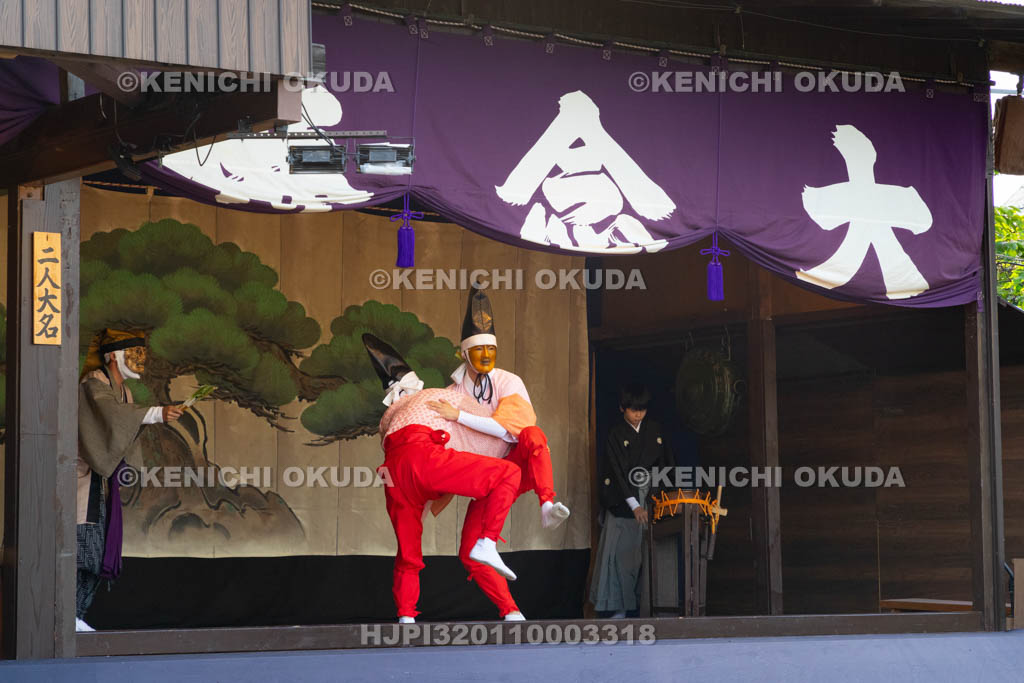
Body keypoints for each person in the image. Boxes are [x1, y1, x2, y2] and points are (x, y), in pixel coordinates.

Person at [427, 288, 570, 621]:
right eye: (479, 349)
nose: (487, 354)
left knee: (534, 435)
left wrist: (459, 416)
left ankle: (547, 503)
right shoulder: (451, 394)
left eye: (491, 348)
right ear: (464, 353)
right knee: (468, 554)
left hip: (514, 466)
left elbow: (511, 430)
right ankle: (511, 611)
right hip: (484, 476)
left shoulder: (508, 381)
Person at [365, 333, 522, 624]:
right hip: (425, 459)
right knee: (509, 472)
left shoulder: (387, 417)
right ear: (415, 385)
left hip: (394, 475)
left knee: (408, 551)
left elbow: (388, 442)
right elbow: (480, 417)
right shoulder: (434, 395)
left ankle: (406, 616)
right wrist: (506, 441)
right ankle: (487, 541)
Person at [76, 329, 183, 632]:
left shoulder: (126, 393)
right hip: (82, 481)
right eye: (133, 353)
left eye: (142, 354)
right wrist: (156, 413)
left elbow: (124, 421)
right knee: (81, 549)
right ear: (112, 356)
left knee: (100, 554)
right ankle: (66, 614)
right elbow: (112, 415)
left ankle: (77, 614)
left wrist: (154, 415)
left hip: (103, 482)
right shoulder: (93, 383)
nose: (140, 360)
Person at [590, 382, 670, 618]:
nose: (638, 414)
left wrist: (657, 498)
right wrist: (634, 505)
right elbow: (616, 470)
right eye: (633, 409)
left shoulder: (655, 429)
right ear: (621, 408)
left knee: (649, 554)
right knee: (619, 557)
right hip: (624, 499)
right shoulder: (616, 435)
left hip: (652, 496)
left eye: (642, 409)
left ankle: (652, 607)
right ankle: (620, 608)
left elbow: (665, 464)